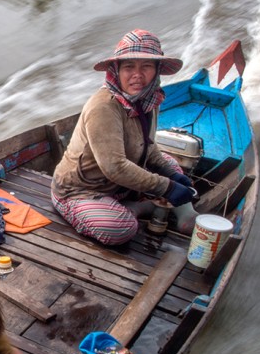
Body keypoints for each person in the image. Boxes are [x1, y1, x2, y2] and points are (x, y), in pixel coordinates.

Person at [50, 29, 197, 246]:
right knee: (121, 228)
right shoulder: (104, 106)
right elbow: (115, 167)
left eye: (146, 66)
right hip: (79, 190)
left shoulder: (149, 99)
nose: (137, 74)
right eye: (129, 67)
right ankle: (143, 207)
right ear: (116, 70)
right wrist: (166, 187)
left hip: (118, 185)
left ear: (156, 71)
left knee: (172, 165)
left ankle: (183, 210)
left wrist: (171, 176)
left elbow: (149, 147)